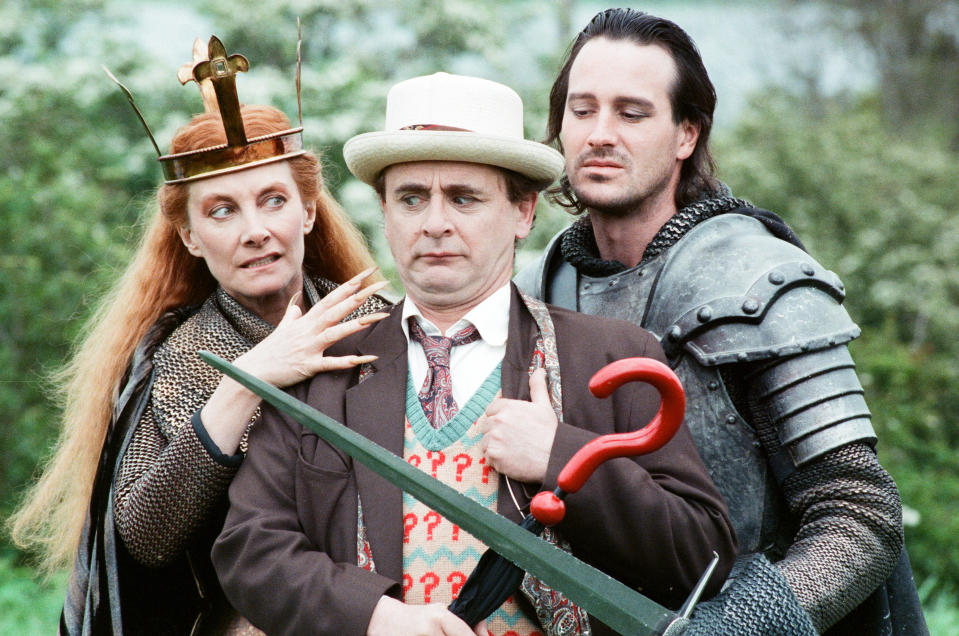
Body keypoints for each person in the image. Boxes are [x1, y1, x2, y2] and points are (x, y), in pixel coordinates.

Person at [212, 71, 737, 636]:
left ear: (522, 212)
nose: (435, 223)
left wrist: (561, 455)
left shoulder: (612, 357)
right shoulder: (320, 370)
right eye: (411, 198)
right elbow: (251, 550)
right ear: (385, 213)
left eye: (464, 198)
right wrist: (374, 616)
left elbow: (700, 555)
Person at [515, 8, 924, 635]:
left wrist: (730, 628)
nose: (600, 133)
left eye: (632, 113)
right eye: (582, 109)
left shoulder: (755, 281)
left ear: (686, 134)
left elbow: (858, 514)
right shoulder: (531, 291)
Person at [7, 36, 390, 634]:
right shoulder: (181, 359)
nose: (256, 230)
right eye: (221, 211)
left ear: (308, 212)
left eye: (273, 200)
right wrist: (253, 377)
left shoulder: (382, 322)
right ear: (188, 236)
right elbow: (146, 535)